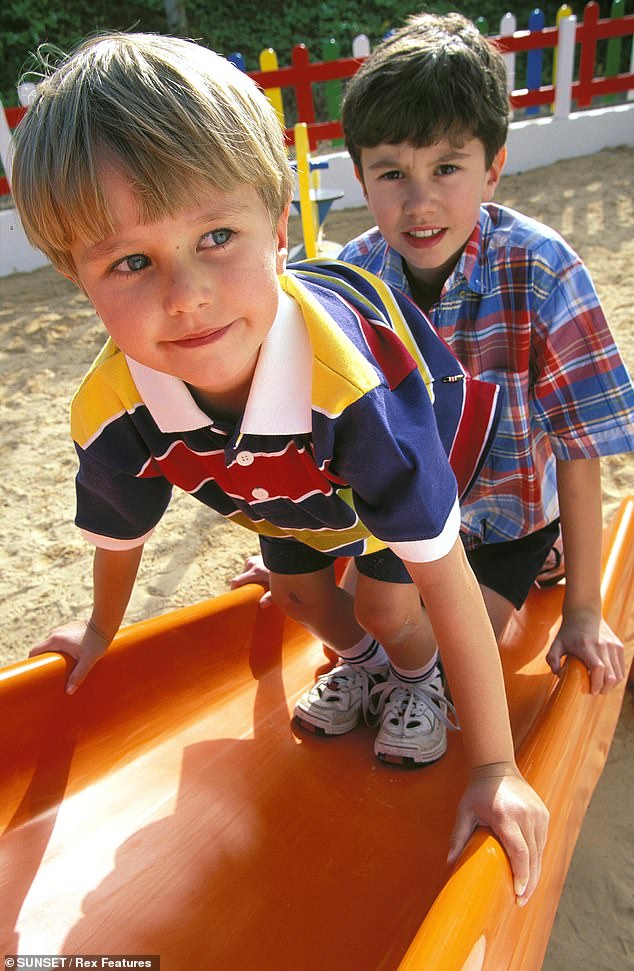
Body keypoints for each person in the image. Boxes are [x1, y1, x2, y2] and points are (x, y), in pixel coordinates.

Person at [12, 31, 548, 904]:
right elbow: (118, 530)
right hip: (284, 489)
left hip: (406, 440)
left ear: (282, 229)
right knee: (300, 595)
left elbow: (443, 571)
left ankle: (414, 678)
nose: (186, 295)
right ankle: (368, 660)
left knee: (390, 595)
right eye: (130, 261)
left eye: (217, 235)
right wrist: (101, 630)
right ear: (78, 277)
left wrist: (496, 764)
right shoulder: (113, 406)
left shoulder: (353, 388)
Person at [235, 11, 634, 696]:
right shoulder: (349, 282)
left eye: (447, 167)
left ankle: (553, 559)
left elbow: (578, 440)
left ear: (492, 170)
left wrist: (585, 610)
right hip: (399, 520)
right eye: (392, 173)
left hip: (505, 521)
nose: (420, 203)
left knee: (456, 662)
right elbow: (314, 425)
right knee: (364, 633)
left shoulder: (542, 271)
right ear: (362, 178)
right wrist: (299, 544)